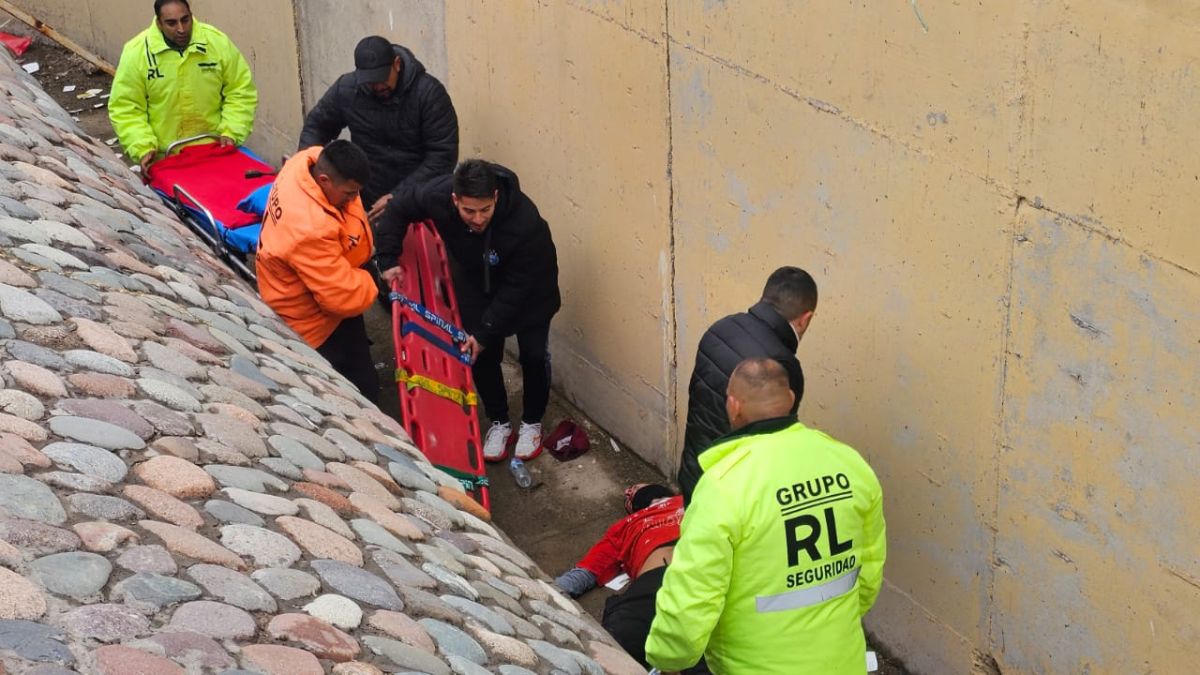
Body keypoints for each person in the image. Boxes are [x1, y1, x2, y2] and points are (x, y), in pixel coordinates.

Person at [646, 358, 886, 674]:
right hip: (843, 662)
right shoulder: (849, 464)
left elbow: (693, 596)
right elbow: (868, 572)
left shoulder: (724, 487)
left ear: (733, 406)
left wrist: (667, 658)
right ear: (790, 399)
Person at [376, 159, 559, 461]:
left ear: (496, 198)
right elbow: (399, 208)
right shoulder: (435, 195)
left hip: (530, 290)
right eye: (469, 211)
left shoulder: (524, 222)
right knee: (480, 354)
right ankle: (500, 421)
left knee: (534, 355)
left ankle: (531, 422)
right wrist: (387, 257)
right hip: (476, 283)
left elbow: (517, 288)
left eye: (485, 210)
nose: (477, 218)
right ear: (454, 199)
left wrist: (487, 330)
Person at [677, 266, 817, 504]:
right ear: (806, 318)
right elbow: (774, 445)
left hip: (695, 470)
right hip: (735, 494)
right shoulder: (780, 366)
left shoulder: (721, 328)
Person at [255, 140, 380, 402]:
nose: (354, 200)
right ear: (324, 180)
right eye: (349, 193)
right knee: (359, 393)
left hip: (323, 287)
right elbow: (341, 298)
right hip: (314, 322)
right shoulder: (310, 229)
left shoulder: (305, 162)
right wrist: (370, 280)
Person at [299, 35, 459, 222]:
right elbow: (317, 125)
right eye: (370, 81)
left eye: (382, 78)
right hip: (362, 196)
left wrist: (399, 196)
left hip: (417, 200)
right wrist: (306, 168)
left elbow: (442, 156)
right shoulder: (348, 88)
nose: (377, 86)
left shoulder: (429, 94)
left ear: (397, 64)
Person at [554, 484, 708, 672]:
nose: (631, 489)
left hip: (681, 577)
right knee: (623, 643)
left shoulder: (695, 496)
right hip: (671, 579)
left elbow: (586, 572)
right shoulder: (628, 524)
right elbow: (588, 570)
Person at [109, 0, 257, 174]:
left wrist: (232, 131)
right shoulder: (136, 53)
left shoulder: (217, 43)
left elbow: (241, 91)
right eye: (171, 23)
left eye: (185, 20)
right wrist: (142, 147)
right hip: (167, 159)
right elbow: (126, 107)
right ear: (159, 23)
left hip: (217, 150)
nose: (181, 29)